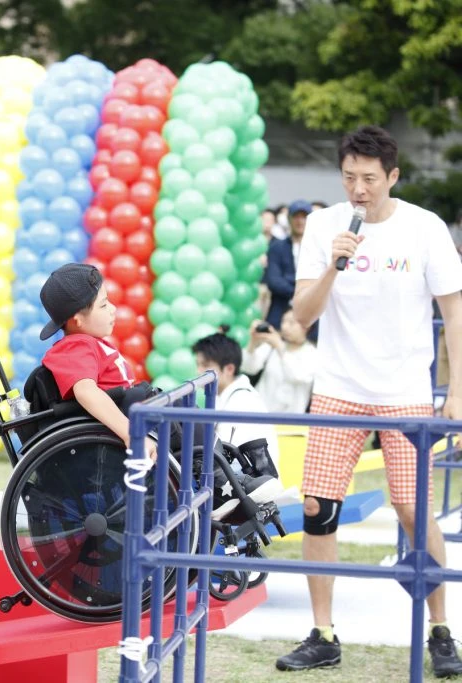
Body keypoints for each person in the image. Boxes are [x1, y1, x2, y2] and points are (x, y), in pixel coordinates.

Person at [276, 125, 462, 676]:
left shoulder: (424, 228)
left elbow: (453, 312)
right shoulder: (325, 226)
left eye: (370, 179)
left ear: (393, 176)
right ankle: (323, 633)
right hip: (338, 388)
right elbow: (301, 316)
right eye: (349, 177)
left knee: (413, 509)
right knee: (318, 508)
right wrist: (333, 265)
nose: (359, 189)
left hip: (405, 391)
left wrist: (457, 390)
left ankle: (440, 629)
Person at [37, 262, 157, 462]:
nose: (113, 309)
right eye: (103, 305)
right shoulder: (74, 347)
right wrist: (130, 434)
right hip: (118, 437)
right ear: (77, 320)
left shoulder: (92, 344)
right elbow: (86, 391)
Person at [192, 332, 283, 518]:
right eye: (198, 364)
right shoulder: (228, 395)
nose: (199, 372)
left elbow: (222, 454)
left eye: (206, 365)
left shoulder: (241, 400)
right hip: (240, 479)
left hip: (245, 485)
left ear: (229, 369)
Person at [243, 311, 317, 414]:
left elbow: (298, 376)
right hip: (259, 412)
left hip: (290, 420)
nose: (285, 327)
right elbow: (248, 368)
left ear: (306, 326)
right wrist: (253, 342)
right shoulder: (271, 346)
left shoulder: (312, 353)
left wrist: (279, 345)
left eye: (291, 323)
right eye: (283, 321)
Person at [265, 199, 311, 330]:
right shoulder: (277, 247)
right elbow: (274, 281)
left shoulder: (318, 248)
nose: (300, 221)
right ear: (289, 219)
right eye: (296, 217)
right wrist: (301, 292)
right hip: (281, 309)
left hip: (311, 312)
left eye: (304, 217)